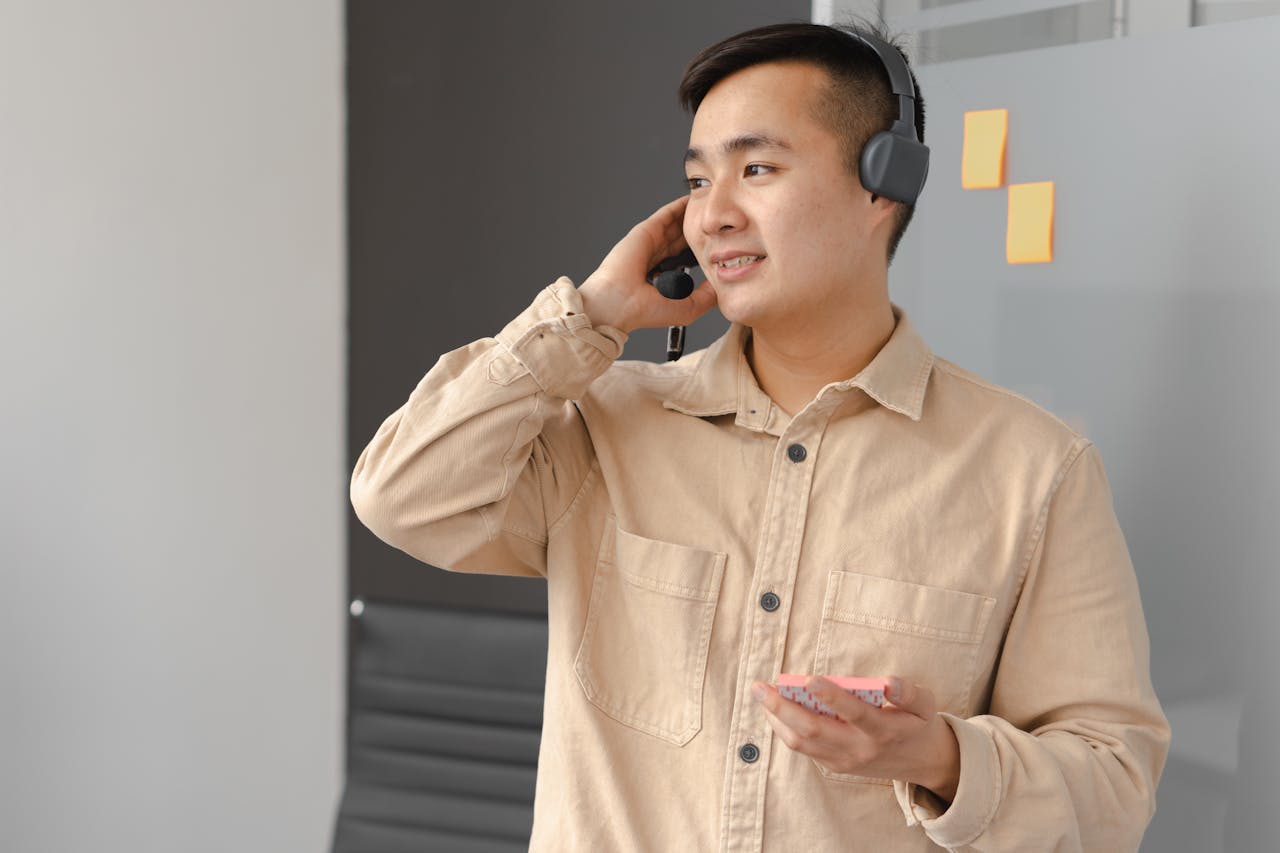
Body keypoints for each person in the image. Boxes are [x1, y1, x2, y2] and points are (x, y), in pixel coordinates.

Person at [350, 21, 1170, 851]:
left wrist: (941, 757)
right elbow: (401, 496)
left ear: (883, 183)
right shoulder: (606, 425)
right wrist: (591, 313)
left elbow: (1114, 787)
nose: (712, 216)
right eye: (697, 181)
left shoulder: (1033, 468)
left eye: (756, 169)